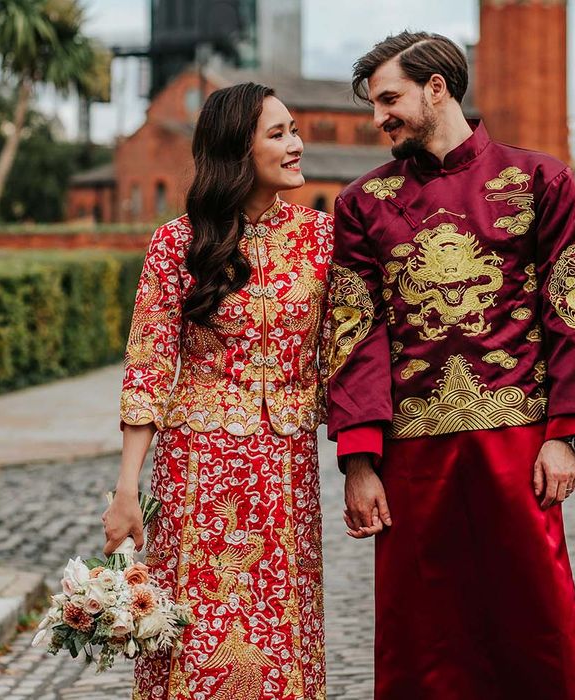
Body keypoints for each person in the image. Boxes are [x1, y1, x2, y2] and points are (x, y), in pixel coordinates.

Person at [324, 31, 575, 700]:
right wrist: (358, 460)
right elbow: (355, 335)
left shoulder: (540, 180)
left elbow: (573, 306)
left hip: (517, 444)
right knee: (421, 639)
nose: (379, 118)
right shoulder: (360, 206)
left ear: (437, 88)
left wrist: (565, 435)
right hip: (410, 458)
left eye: (389, 100)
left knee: (537, 624)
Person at [104, 82, 332, 700]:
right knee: (194, 635)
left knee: (283, 632)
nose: (297, 145)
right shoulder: (177, 243)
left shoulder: (321, 242)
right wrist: (128, 490)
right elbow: (148, 367)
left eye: (295, 130)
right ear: (238, 151)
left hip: (287, 472)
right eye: (279, 134)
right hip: (196, 474)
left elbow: (348, 354)